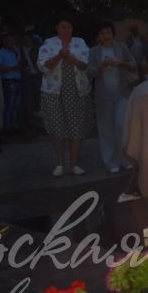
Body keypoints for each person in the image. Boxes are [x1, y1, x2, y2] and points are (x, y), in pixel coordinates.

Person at [37, 14, 93, 177]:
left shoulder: (80, 43)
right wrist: (60, 55)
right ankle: (60, 163)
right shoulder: (49, 43)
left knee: (76, 128)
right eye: (63, 26)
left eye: (69, 27)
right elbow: (43, 66)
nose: (66, 30)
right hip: (53, 92)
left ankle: (74, 164)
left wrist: (71, 58)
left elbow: (86, 66)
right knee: (57, 129)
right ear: (57, 28)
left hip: (76, 91)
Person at [87, 20, 137, 174]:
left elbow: (133, 64)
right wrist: (102, 65)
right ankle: (111, 162)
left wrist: (120, 63)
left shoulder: (120, 47)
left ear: (113, 33)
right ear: (98, 36)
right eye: (102, 33)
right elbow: (90, 72)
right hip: (103, 95)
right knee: (106, 128)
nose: (106, 36)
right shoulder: (94, 52)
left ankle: (126, 158)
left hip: (122, 92)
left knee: (121, 125)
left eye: (108, 32)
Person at [0, 32, 24, 133]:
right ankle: (7, 127)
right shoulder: (0, 53)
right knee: (10, 104)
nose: (11, 42)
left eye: (12, 40)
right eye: (9, 41)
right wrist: (12, 68)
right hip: (9, 81)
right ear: (4, 42)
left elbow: (19, 64)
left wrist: (20, 67)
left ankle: (14, 126)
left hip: (17, 80)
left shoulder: (14, 52)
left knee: (16, 105)